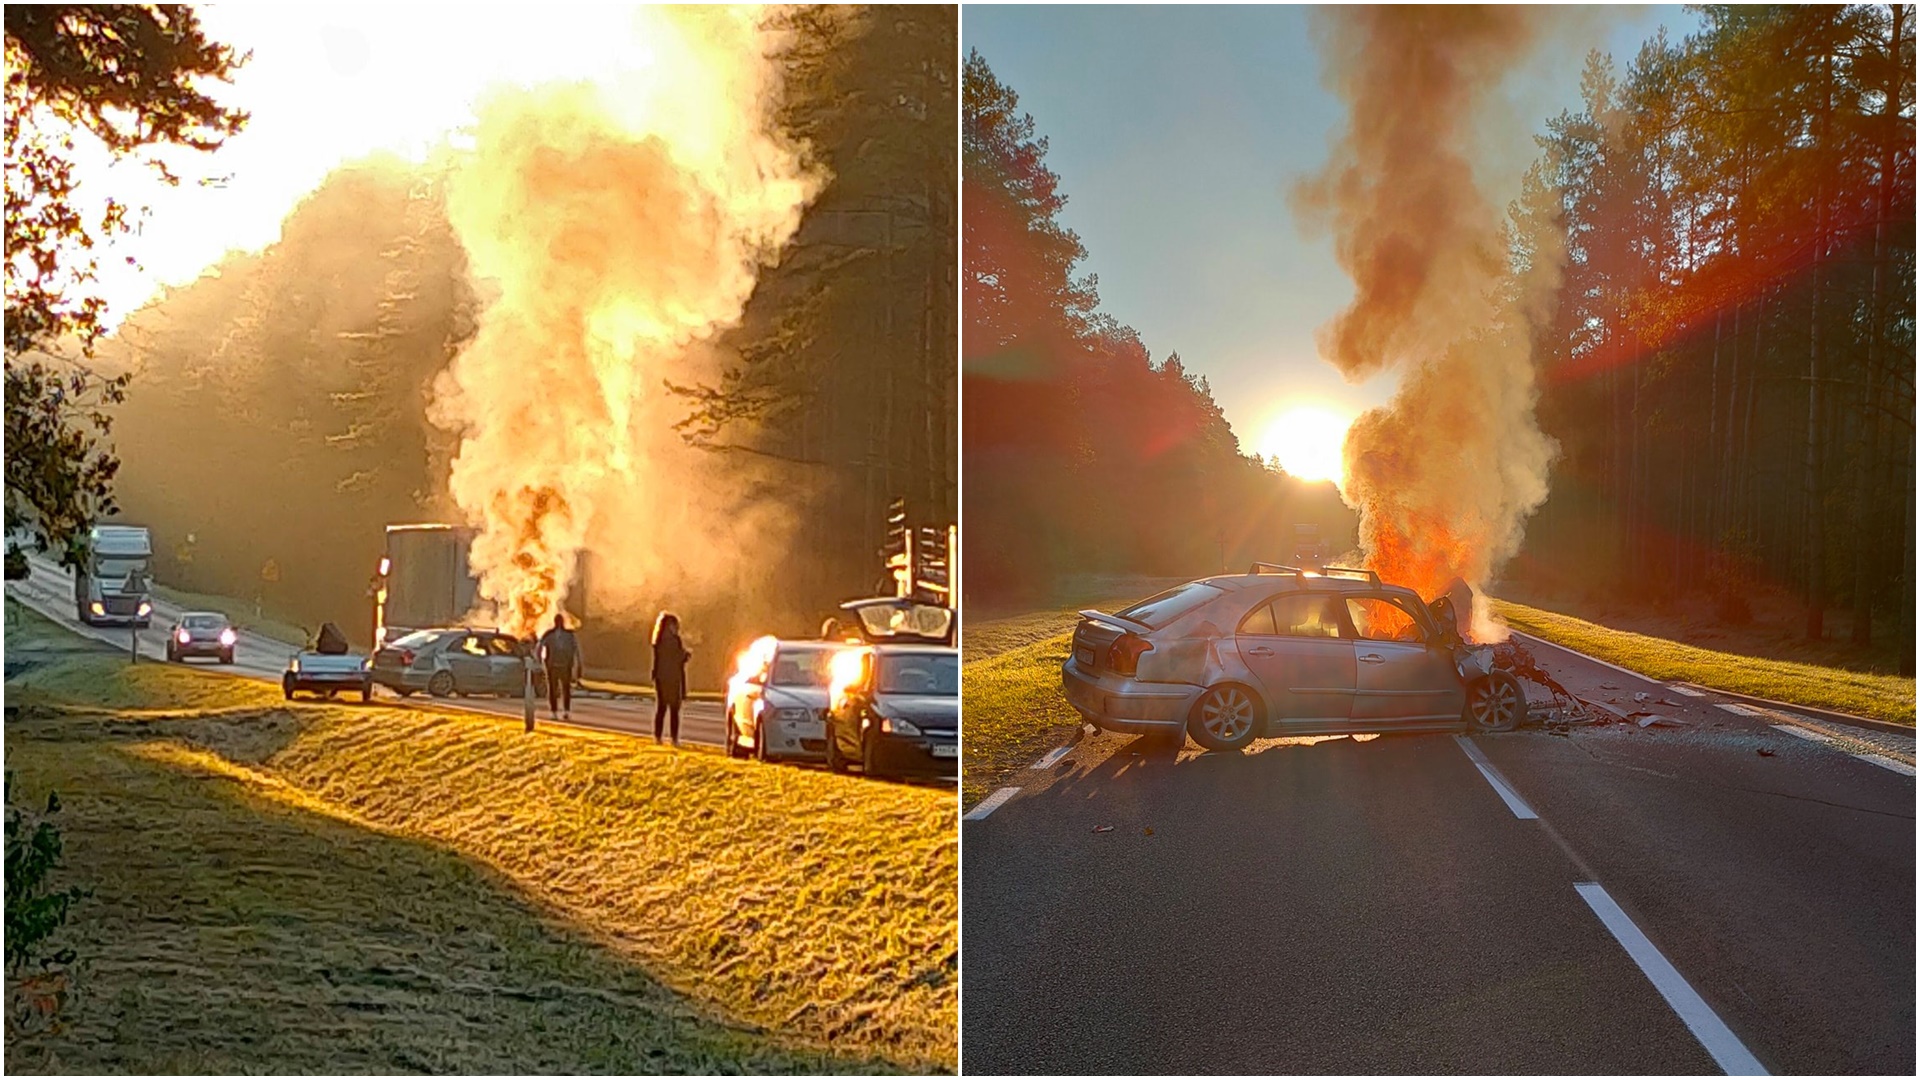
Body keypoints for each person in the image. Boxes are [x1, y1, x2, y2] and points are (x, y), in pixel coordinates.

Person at [651, 611, 690, 747]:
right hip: (671, 678)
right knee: (673, 709)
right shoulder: (672, 640)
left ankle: (658, 736)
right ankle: (674, 739)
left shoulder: (658, 641)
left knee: (662, 708)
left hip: (662, 677)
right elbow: (675, 658)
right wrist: (685, 656)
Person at [538, 613, 582, 720]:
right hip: (552, 666)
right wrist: (542, 662)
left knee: (565, 689)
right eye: (558, 621)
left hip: (565, 666)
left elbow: (576, 651)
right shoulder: (549, 634)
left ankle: (566, 710)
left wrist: (577, 664)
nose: (559, 623)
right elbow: (539, 648)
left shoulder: (569, 635)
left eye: (560, 621)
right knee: (553, 690)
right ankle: (554, 711)